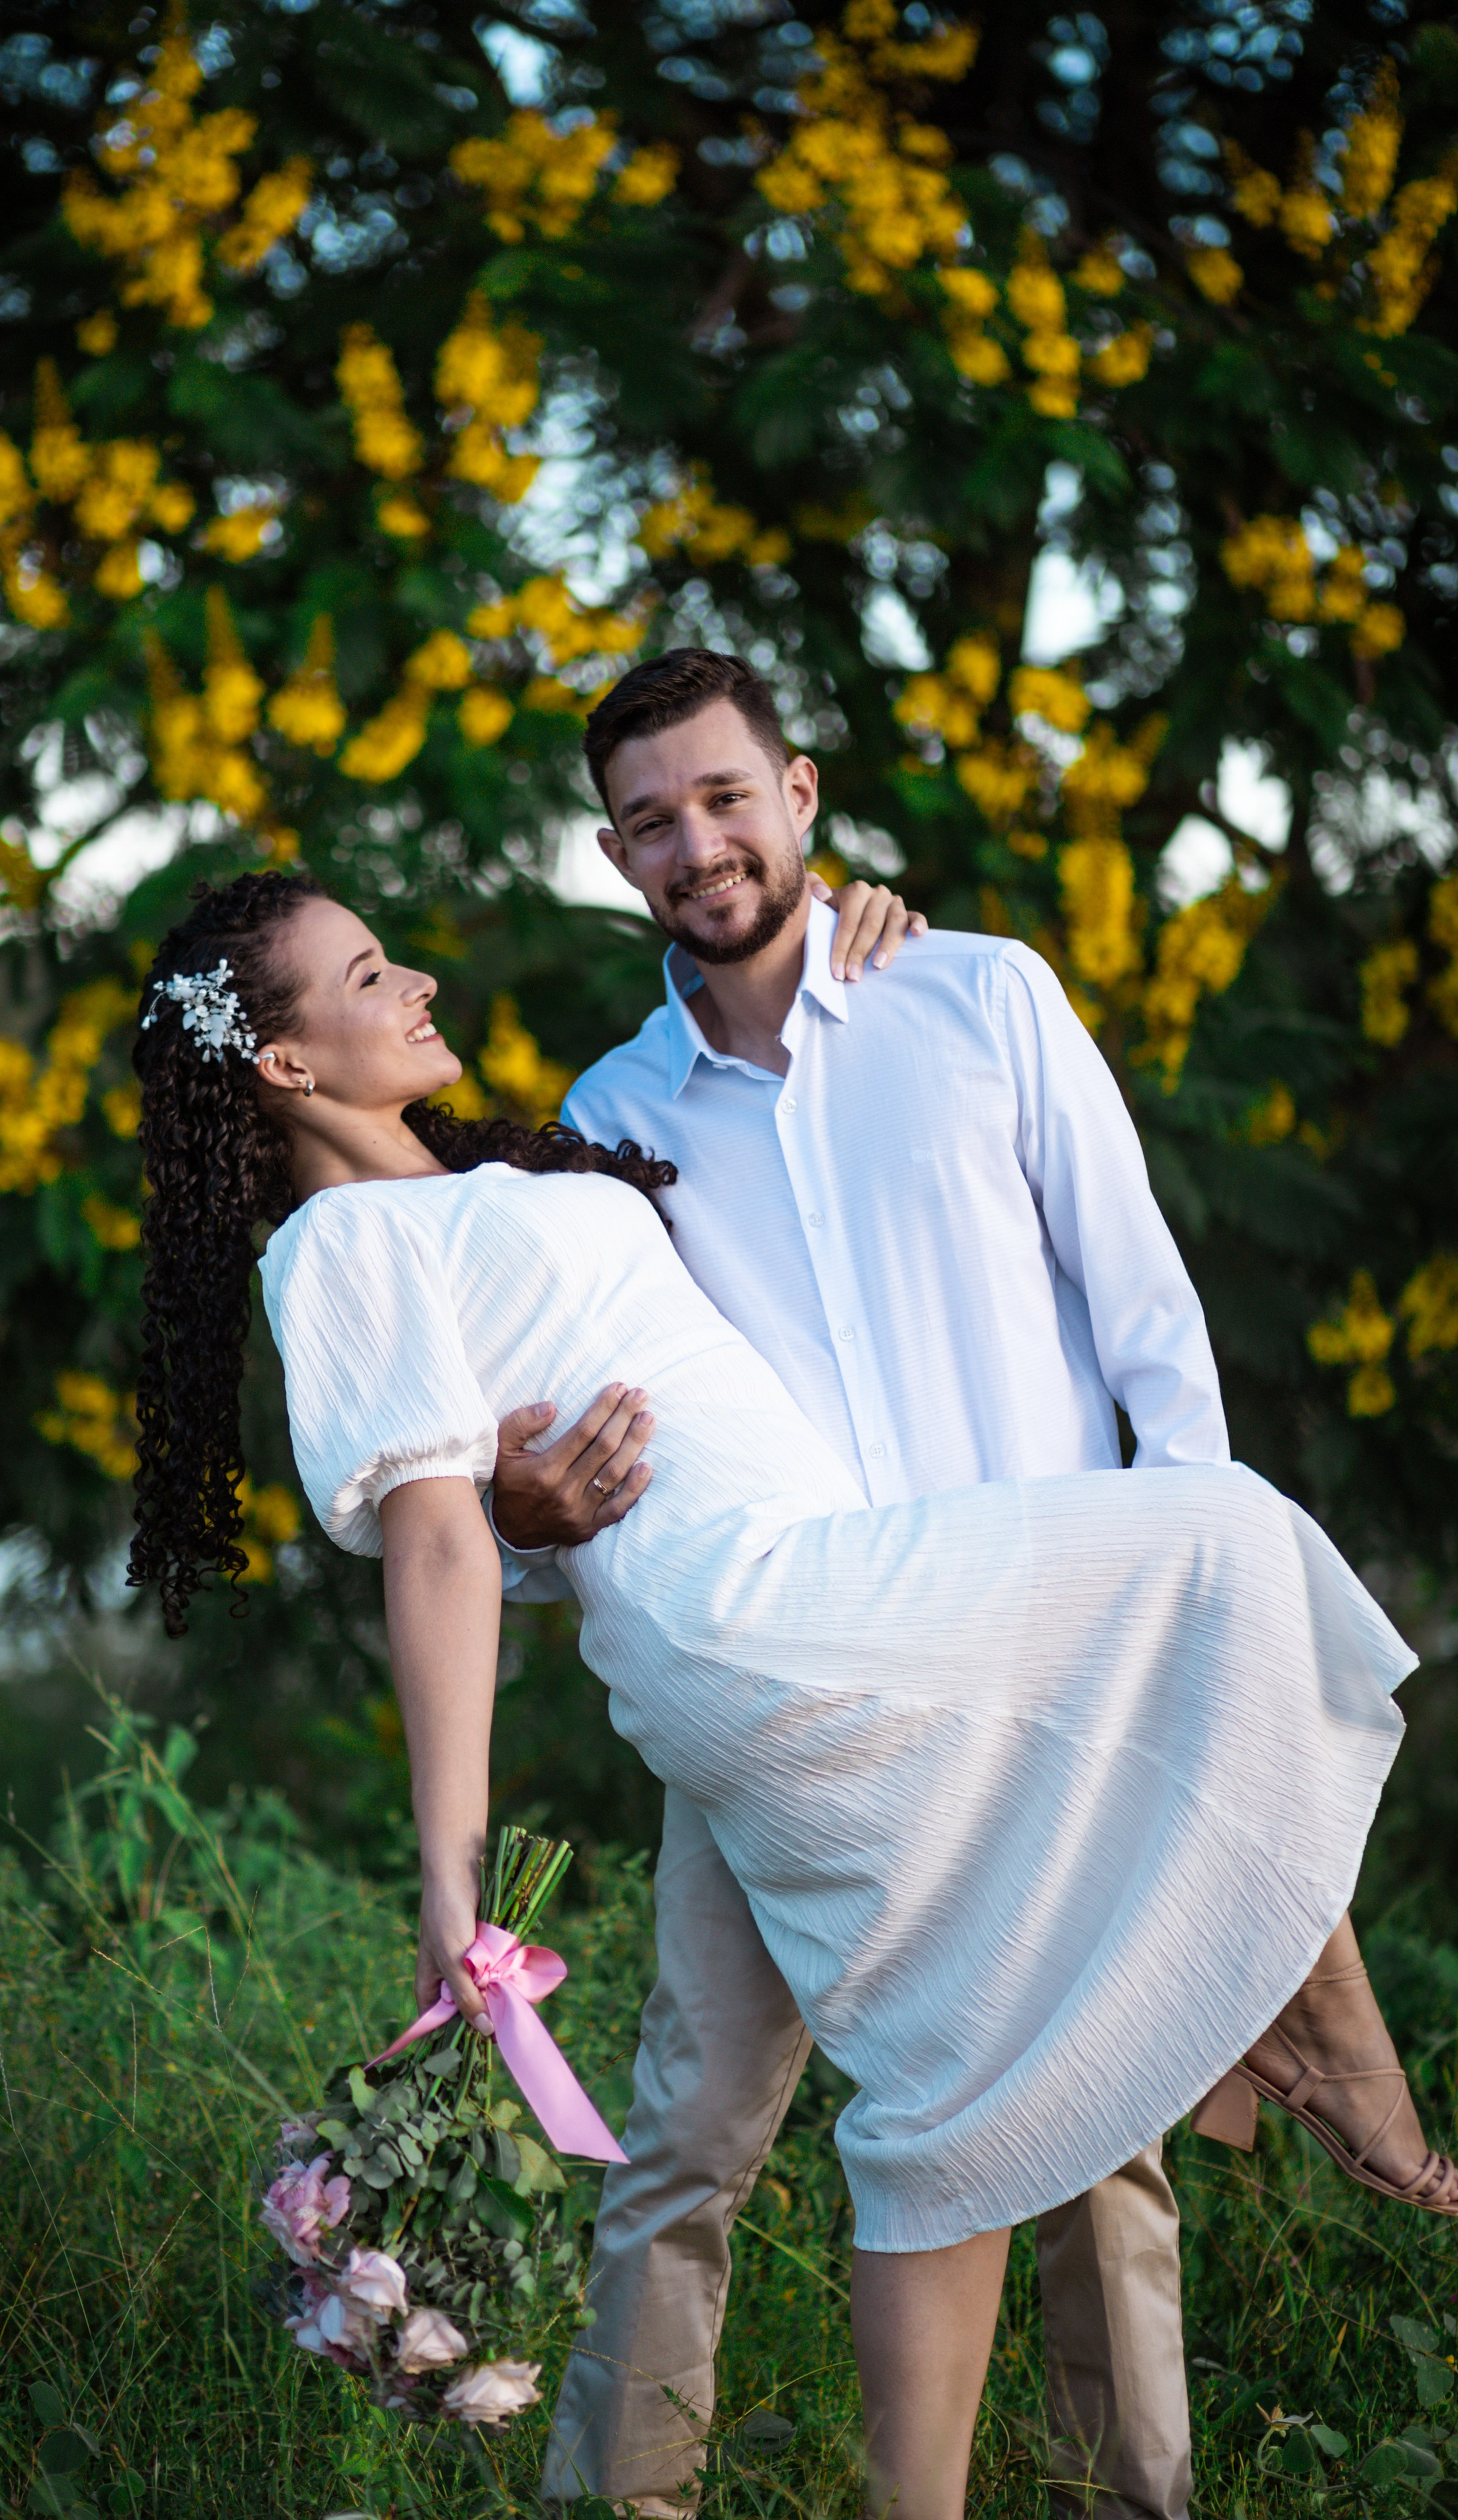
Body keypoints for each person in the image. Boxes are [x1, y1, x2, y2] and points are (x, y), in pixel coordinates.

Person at [129, 858, 1452, 2520]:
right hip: (757, 1612)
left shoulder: (499, 1167)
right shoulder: (337, 1246)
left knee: (947, 2086)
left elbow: (511, 1464)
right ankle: (1329, 2040)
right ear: (285, 1065)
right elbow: (443, 1552)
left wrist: (848, 931)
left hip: (831, 1590)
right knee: (1222, 1547)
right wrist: (448, 1877)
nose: (421, 990)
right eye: (372, 976)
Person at [475, 646, 1228, 2518]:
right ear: (613, 852)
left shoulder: (978, 999)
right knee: (687, 2139)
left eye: (727, 797)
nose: (697, 843)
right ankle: (618, 2507)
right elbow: (592, 1453)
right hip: (788, 1695)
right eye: (652, 819)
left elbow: (1146, 1320)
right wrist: (535, 1528)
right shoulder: (609, 1114)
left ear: (801, 795)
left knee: (1096, 2136)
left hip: (1032, 1663)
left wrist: (1182, 1599)